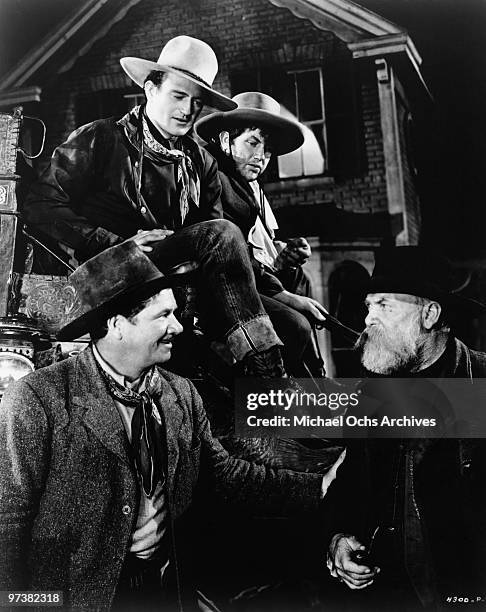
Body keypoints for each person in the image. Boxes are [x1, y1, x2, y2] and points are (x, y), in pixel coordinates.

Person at [0, 242, 345, 611]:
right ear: (117, 325)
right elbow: (6, 530)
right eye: (163, 315)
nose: (178, 327)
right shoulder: (38, 400)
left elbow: (225, 476)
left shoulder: (180, 394)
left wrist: (317, 487)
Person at [22, 36, 295, 379]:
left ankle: (302, 404)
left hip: (167, 275)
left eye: (197, 102)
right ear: (151, 90)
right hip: (102, 274)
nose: (187, 110)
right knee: (222, 233)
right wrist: (113, 243)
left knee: (292, 323)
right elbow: (40, 205)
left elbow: (210, 244)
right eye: (178, 95)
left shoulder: (200, 162)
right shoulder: (101, 138)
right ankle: (267, 377)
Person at [326, 246, 486, 611]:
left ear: (430, 314)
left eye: (384, 305)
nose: (367, 319)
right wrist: (337, 537)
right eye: (368, 306)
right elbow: (350, 479)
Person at [195, 92, 327, 376]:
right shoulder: (213, 175)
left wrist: (284, 257)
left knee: (299, 281)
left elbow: (259, 248)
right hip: (217, 289)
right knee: (296, 325)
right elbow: (227, 252)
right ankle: (269, 395)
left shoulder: (249, 187)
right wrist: (283, 295)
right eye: (252, 143)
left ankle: (316, 381)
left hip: (247, 278)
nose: (260, 157)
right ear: (224, 140)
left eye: (267, 150)